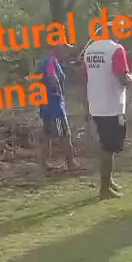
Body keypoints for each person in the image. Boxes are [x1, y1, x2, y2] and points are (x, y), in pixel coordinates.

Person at [82, 27, 132, 200]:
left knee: (107, 146)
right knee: (109, 149)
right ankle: (104, 189)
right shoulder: (116, 49)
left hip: (95, 105)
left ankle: (109, 181)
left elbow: (87, 77)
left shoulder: (89, 50)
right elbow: (123, 79)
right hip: (112, 107)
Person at [38, 42, 79, 172]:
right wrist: (59, 92)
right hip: (54, 105)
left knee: (48, 135)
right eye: (64, 48)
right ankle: (70, 162)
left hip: (46, 104)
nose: (66, 52)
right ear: (56, 48)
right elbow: (52, 76)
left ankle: (44, 164)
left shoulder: (45, 61)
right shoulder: (51, 60)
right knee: (65, 134)